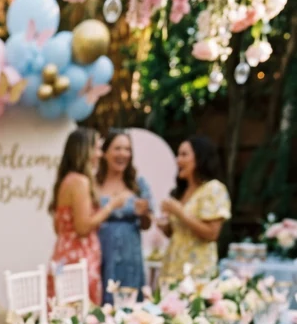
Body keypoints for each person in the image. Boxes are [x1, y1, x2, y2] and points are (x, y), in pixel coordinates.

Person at [49, 127, 128, 306]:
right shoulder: (80, 182)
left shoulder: (67, 180)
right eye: (97, 148)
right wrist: (111, 206)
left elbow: (58, 226)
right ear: (86, 150)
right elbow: (83, 227)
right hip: (79, 260)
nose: (100, 154)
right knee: (82, 315)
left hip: (63, 255)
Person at [159, 135, 231, 283]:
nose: (178, 160)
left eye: (184, 154)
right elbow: (178, 233)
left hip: (197, 270)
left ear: (200, 157)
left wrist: (179, 212)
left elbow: (212, 233)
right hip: (172, 267)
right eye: (178, 155)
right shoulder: (181, 192)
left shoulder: (213, 189)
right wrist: (164, 226)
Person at [96, 130, 153, 299]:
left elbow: (146, 225)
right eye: (117, 148)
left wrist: (144, 214)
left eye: (127, 149)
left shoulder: (138, 184)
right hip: (101, 252)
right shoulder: (93, 184)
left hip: (130, 255)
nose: (123, 154)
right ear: (105, 153)